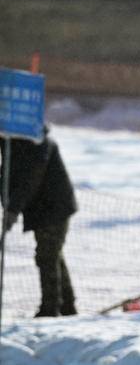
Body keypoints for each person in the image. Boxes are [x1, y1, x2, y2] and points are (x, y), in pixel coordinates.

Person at [1, 129, 78, 317]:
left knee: (47, 255)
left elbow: (29, 180)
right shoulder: (12, 142)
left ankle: (50, 309)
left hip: (55, 207)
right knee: (52, 254)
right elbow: (8, 173)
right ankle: (67, 306)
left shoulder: (40, 143)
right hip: (41, 208)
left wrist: (12, 210)